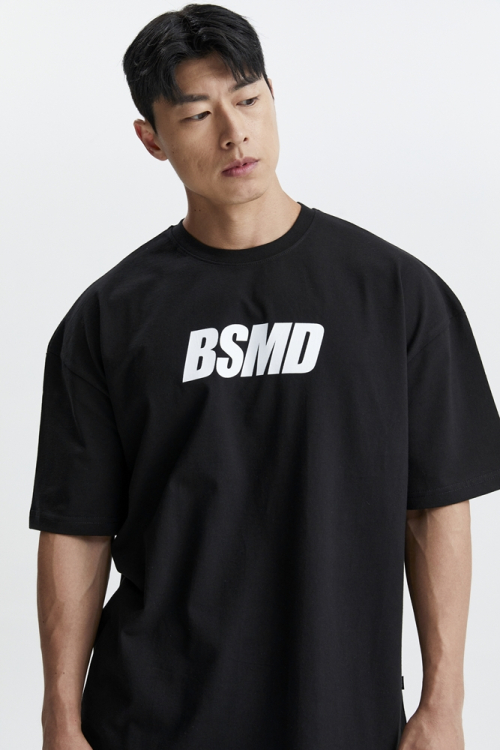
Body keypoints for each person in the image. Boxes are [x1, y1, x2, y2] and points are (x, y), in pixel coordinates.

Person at [29, 4, 500, 750]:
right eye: (196, 115)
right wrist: (59, 720)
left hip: (339, 714)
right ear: (151, 139)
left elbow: (436, 508)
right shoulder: (107, 319)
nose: (234, 133)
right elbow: (76, 528)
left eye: (248, 100)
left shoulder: (398, 295)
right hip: (152, 718)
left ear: (272, 98)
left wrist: (444, 704)